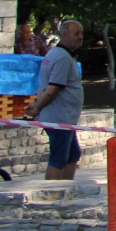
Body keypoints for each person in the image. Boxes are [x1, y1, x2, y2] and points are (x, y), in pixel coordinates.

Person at [23, 19, 85, 180]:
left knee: (73, 155)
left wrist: (38, 105)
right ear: (64, 34)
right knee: (59, 159)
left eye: (81, 33)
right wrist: (38, 106)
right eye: (76, 33)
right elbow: (52, 89)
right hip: (59, 117)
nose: (80, 37)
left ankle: (65, 189)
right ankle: (51, 195)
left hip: (65, 117)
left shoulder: (56, 54)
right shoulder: (62, 57)